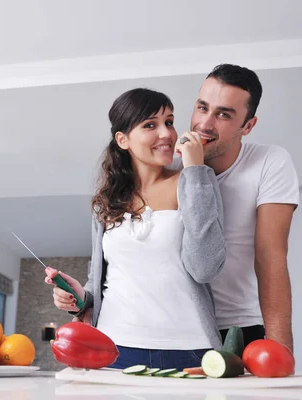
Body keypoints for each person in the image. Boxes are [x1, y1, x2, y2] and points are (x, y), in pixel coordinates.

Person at [45, 88, 227, 370]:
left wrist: (194, 170)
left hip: (190, 348)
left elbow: (205, 267)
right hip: (112, 348)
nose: (166, 133)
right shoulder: (105, 201)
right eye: (150, 125)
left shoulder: (195, 180)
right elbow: (102, 280)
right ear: (123, 139)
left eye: (169, 122)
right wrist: (79, 296)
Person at [180, 64, 299, 352]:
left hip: (239, 326)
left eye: (223, 114)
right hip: (179, 326)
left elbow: (271, 255)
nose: (205, 124)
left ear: (248, 125)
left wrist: (281, 351)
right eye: (202, 107)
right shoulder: (169, 162)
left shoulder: (271, 161)